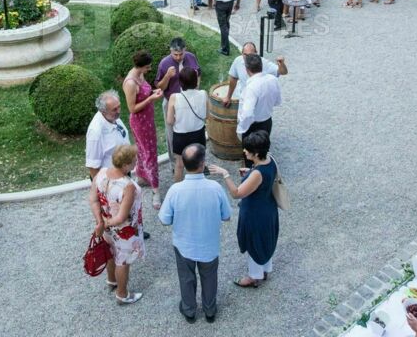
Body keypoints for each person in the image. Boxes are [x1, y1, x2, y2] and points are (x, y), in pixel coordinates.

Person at [158, 143, 231, 324]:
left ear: (183, 163)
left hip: (184, 246)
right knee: (210, 278)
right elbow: (227, 215)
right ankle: (210, 310)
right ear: (203, 163)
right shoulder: (215, 188)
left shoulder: (175, 190)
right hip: (209, 245)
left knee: (186, 278)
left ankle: (189, 310)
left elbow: (164, 219)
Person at [208, 130, 279, 288]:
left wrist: (225, 174)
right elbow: (265, 179)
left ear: (255, 153)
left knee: (254, 243)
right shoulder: (270, 160)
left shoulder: (257, 174)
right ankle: (265, 270)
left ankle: (254, 276)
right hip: (268, 208)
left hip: (255, 214)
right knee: (265, 241)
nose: (244, 151)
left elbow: (237, 193)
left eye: (247, 149)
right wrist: (250, 172)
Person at [88, 144, 145, 305]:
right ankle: (122, 294)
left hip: (106, 227)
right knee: (123, 261)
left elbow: (92, 199)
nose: (136, 163)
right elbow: (121, 217)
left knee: (111, 253)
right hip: (124, 230)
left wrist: (101, 222)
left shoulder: (101, 174)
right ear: (126, 165)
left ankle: (111, 281)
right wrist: (107, 223)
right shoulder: (127, 186)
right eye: (134, 161)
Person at [122, 51, 165, 209]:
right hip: (140, 122)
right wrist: (151, 99)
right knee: (149, 153)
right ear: (140, 66)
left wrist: (153, 92)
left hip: (148, 120)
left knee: (144, 151)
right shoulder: (131, 83)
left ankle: (142, 176)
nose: (150, 68)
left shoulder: (140, 75)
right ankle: (155, 191)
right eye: (148, 66)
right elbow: (132, 108)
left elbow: (145, 92)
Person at [156, 38, 202, 165]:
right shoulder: (164, 63)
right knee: (171, 132)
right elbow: (160, 87)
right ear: (170, 51)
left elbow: (198, 73)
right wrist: (167, 76)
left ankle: (196, 161)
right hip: (172, 102)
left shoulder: (191, 57)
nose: (178, 57)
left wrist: (197, 88)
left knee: (193, 129)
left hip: (191, 100)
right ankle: (174, 163)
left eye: (180, 54)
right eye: (175, 54)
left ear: (185, 50)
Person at [236, 54, 282, 167]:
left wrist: (242, 128)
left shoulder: (251, 87)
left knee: (250, 158)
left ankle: (251, 179)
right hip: (267, 122)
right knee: (262, 155)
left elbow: (247, 114)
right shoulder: (273, 79)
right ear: (261, 66)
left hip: (252, 127)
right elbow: (277, 101)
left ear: (247, 69)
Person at [165, 68, 208, 183]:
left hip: (180, 136)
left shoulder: (174, 97)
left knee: (179, 165)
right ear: (195, 81)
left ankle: (178, 189)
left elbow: (169, 121)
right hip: (198, 133)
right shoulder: (203, 94)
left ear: (180, 82)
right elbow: (206, 114)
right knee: (199, 163)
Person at [86, 90, 130, 181]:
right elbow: (93, 167)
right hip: (111, 180)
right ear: (103, 111)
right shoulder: (95, 131)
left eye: (119, 106)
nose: (119, 111)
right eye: (114, 109)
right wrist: (104, 190)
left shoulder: (112, 116)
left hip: (123, 172)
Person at [222, 42, 287, 104]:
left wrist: (282, 64)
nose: (247, 57)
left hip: (259, 101)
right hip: (243, 99)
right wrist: (228, 97)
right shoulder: (238, 61)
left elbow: (282, 72)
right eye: (245, 54)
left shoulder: (264, 63)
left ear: (256, 53)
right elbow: (233, 78)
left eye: (250, 55)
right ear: (242, 53)